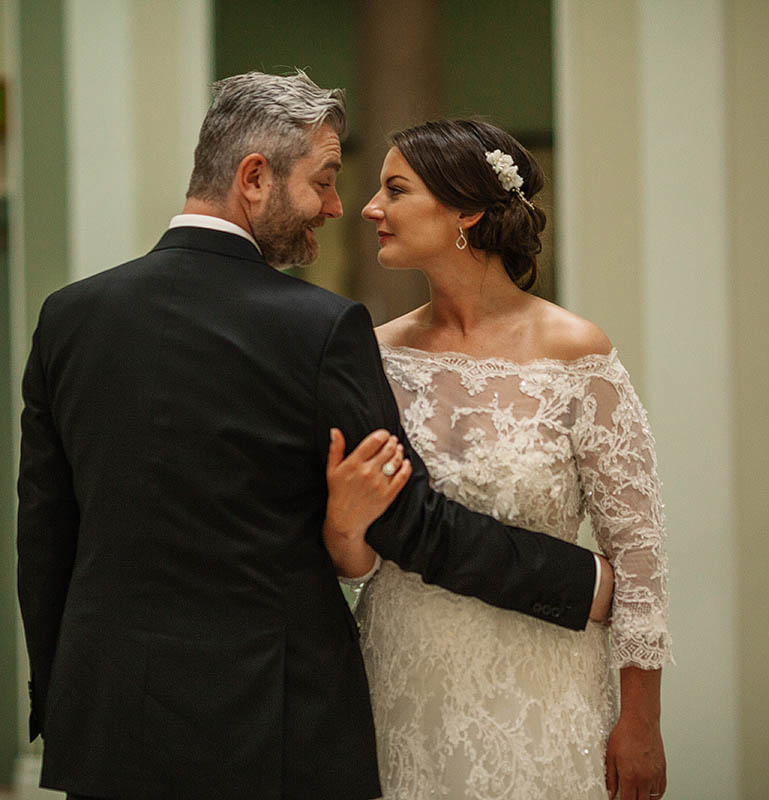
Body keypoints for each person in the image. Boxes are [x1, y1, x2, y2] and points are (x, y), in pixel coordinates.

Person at [17, 72, 614, 800]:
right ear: (255, 178)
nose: (337, 207)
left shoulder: (69, 317)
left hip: (106, 723)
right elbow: (409, 520)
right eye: (325, 180)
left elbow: (44, 537)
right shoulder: (318, 327)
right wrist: (577, 580)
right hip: (272, 725)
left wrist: (62, 698)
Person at [323, 119, 672, 800]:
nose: (369, 209)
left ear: (468, 212)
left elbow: (640, 556)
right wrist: (343, 526)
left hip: (543, 685)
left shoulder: (575, 354)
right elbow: (358, 557)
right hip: (401, 681)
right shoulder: (373, 356)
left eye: (394, 189)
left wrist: (642, 722)